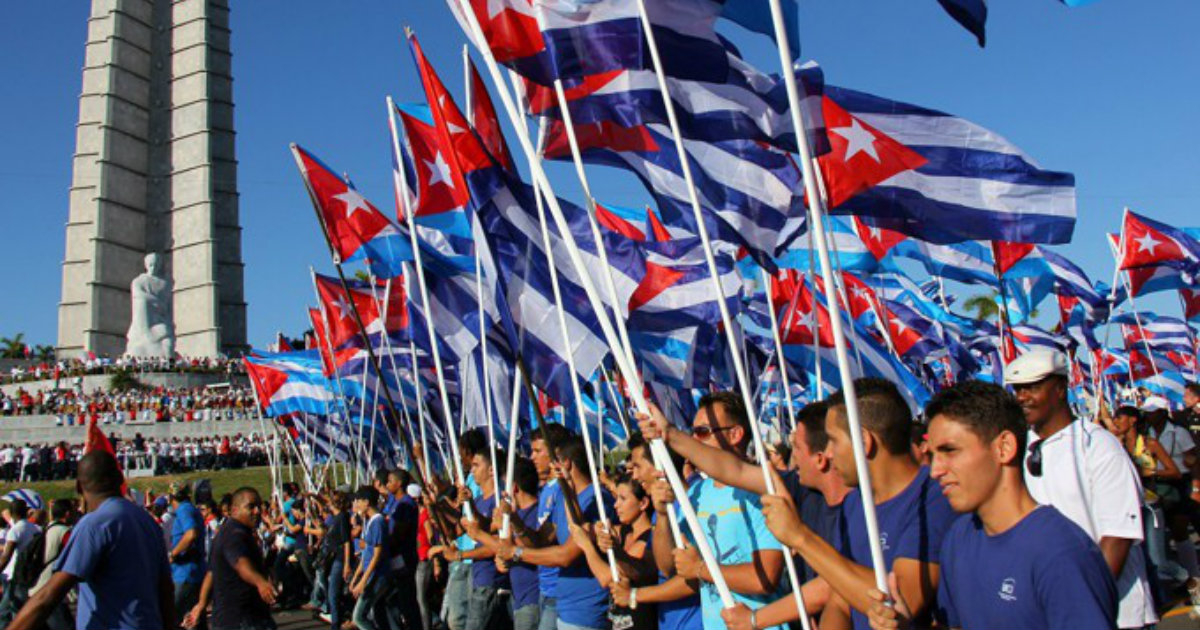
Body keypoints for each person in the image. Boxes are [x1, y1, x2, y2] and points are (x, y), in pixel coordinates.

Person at [865, 380, 1118, 630]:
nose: (935, 471)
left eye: (950, 451)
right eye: (932, 455)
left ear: (1004, 447)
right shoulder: (959, 538)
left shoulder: (1061, 553)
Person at [744, 379, 956, 630]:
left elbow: (902, 601)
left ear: (863, 441)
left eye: (833, 440)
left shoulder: (934, 499)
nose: (829, 453)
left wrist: (800, 537)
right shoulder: (854, 503)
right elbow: (839, 600)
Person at [1005, 350, 1157, 629]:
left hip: (1114, 614)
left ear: (1061, 389)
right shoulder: (1019, 447)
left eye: (1033, 387)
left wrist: (1081, 603)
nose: (1022, 397)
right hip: (1056, 613)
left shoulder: (1098, 447)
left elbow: (1117, 538)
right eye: (1018, 389)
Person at [637, 392, 788, 630]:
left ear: (736, 434)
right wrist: (663, 516)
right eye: (693, 432)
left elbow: (765, 578)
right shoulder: (698, 493)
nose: (695, 440)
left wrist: (701, 568)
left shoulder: (763, 490)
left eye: (703, 432)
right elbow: (669, 567)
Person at [8, 451, 175, 630]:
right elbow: (165, 588)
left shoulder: (94, 525)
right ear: (120, 479)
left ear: (79, 487)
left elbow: (50, 595)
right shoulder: (146, 520)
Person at [569, 471, 658, 630]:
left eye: (623, 499)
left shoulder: (647, 541)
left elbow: (607, 578)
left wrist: (588, 547)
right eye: (616, 498)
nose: (616, 505)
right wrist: (568, 491)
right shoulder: (623, 532)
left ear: (643, 503)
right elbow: (578, 528)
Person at [184, 487, 277, 630]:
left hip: (235, 618)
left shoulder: (230, 532)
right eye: (250, 507)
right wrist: (260, 582)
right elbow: (240, 563)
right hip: (241, 619)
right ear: (234, 510)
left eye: (258, 506)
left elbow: (211, 573)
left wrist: (201, 605)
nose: (257, 511)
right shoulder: (234, 535)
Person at [1142, 396, 1200, 582]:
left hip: (1180, 483)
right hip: (1157, 486)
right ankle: (1173, 577)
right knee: (1161, 533)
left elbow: (1192, 460)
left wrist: (1197, 486)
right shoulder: (1147, 433)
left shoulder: (1178, 432)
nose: (1149, 416)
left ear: (1162, 413)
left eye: (1152, 412)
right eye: (1147, 412)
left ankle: (1193, 575)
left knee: (1180, 531)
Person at [349, 485, 394, 630]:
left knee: (359, 617)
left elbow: (376, 555)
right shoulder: (368, 521)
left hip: (377, 576)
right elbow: (366, 554)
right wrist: (356, 576)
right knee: (379, 615)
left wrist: (363, 582)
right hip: (370, 575)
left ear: (367, 502)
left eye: (359, 501)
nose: (357, 505)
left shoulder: (378, 522)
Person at [29, 499, 74, 630]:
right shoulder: (64, 532)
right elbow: (75, 554)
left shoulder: (48, 527)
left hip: (38, 586)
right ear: (67, 514)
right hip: (52, 588)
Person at [170, 486, 207, 626]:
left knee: (172, 616)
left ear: (172, 499)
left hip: (185, 573)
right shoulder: (192, 509)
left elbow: (191, 533)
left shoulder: (184, 510)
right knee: (196, 619)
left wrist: (173, 554)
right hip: (194, 571)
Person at [0, 498, 41, 624]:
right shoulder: (35, 528)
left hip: (14, 574)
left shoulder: (16, 530)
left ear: (12, 513)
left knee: (5, 611)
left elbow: (7, 555)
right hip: (29, 572)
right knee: (18, 609)